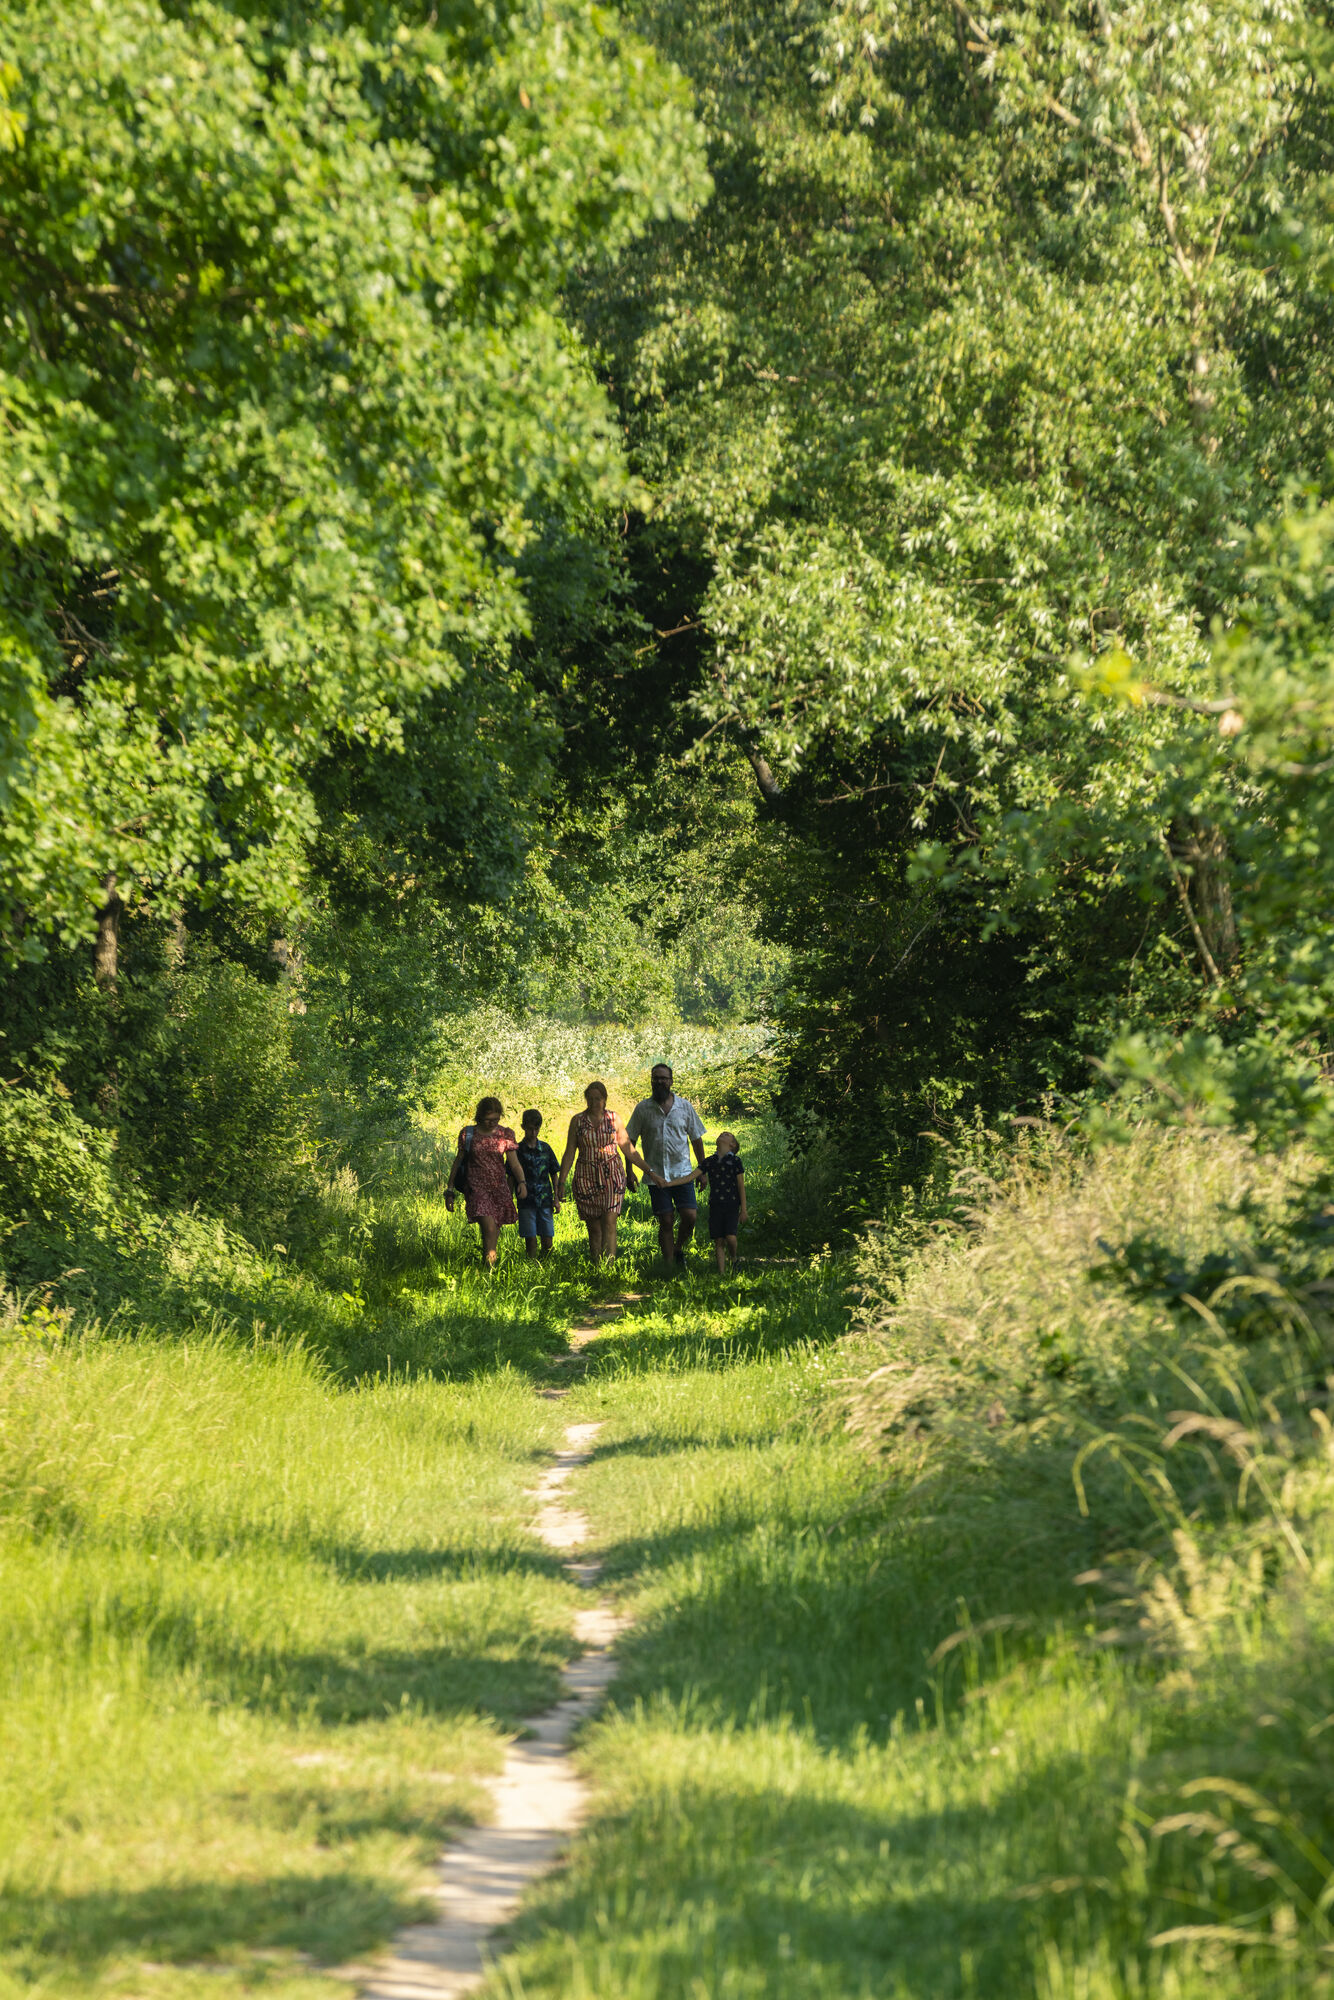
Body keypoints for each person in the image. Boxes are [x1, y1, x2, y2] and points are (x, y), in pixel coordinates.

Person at [626, 1062, 707, 1272]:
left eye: (664, 1078)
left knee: (690, 1216)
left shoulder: (685, 1107)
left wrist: (702, 1170)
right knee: (666, 1220)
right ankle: (669, 1265)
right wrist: (629, 1171)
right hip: (656, 1176)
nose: (660, 1082)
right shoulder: (643, 1109)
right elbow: (629, 1141)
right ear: (651, 1081)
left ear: (671, 1081)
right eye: (656, 1078)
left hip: (683, 1174)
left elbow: (696, 1138)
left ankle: (678, 1248)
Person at [556, 1080, 647, 1264]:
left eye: (597, 1098)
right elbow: (570, 1151)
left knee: (609, 1221)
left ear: (604, 1099)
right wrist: (561, 1181)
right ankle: (598, 1267)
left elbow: (627, 1147)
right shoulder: (578, 1121)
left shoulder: (614, 1118)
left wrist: (648, 1170)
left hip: (612, 1174)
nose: (593, 1102)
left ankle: (610, 1266)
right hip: (585, 1176)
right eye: (590, 1099)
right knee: (594, 1227)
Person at [445, 1096, 526, 1268]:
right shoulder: (468, 1134)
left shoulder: (505, 1134)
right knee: (489, 1229)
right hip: (476, 1188)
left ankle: (488, 1271)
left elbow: (514, 1162)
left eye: (496, 1120)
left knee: (493, 1234)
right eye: (488, 1120)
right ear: (480, 1116)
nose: (492, 1123)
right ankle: (489, 1270)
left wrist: (522, 1183)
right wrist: (449, 1189)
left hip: (499, 1189)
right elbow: (458, 1161)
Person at [695, 1130, 747, 1275]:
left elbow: (741, 1186)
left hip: (731, 1205)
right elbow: (693, 1174)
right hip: (715, 1205)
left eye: (727, 1135)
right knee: (718, 1241)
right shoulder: (710, 1161)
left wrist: (743, 1209)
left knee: (730, 1237)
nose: (723, 1134)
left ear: (732, 1145)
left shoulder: (736, 1161)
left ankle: (734, 1258)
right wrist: (671, 1183)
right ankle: (722, 1274)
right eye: (722, 1133)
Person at [515, 1108, 561, 1260]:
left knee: (547, 1237)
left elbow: (554, 1173)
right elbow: (510, 1175)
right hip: (526, 1201)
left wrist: (556, 1198)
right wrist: (509, 1200)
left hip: (545, 1200)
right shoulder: (517, 1150)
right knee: (530, 1239)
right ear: (523, 1127)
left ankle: (547, 1264)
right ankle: (532, 1265)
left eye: (536, 1129)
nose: (533, 1133)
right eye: (530, 1129)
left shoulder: (546, 1149)